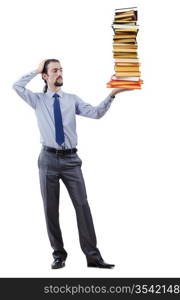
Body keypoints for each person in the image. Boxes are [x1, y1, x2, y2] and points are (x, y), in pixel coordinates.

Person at [13, 59, 131, 269]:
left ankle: (93, 257)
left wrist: (112, 95)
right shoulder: (37, 100)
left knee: (82, 206)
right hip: (47, 159)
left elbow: (96, 113)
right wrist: (35, 69)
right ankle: (59, 254)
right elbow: (17, 86)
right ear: (45, 76)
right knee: (51, 209)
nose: (59, 73)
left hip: (71, 161)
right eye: (55, 70)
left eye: (61, 70)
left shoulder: (71, 99)